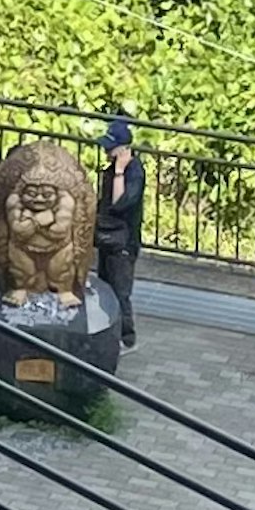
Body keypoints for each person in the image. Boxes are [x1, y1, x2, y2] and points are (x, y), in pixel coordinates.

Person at [93, 104, 149, 352]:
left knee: (120, 290)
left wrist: (118, 172)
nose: (106, 151)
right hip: (108, 237)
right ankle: (108, 331)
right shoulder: (110, 168)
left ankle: (127, 338)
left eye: (110, 147)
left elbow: (120, 203)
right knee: (105, 283)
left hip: (123, 241)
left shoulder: (133, 173)